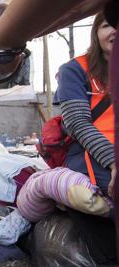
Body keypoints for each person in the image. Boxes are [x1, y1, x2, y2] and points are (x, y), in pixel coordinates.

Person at [53, 13, 116, 264]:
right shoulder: (75, 70)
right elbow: (78, 124)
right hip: (92, 150)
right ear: (96, 31)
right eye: (109, 24)